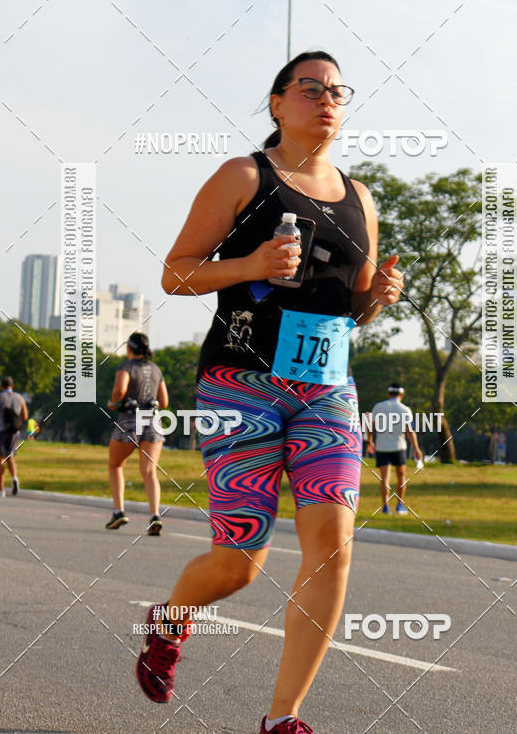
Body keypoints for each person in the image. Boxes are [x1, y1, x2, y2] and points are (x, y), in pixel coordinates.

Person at [135, 50, 404, 734]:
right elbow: (175, 274)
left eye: (338, 91)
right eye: (311, 89)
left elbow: (357, 309)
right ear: (278, 103)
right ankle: (170, 620)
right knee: (240, 562)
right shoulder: (242, 176)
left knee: (334, 542)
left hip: (326, 388)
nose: (327, 100)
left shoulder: (360, 197)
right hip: (241, 383)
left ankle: (283, 718)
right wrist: (252, 264)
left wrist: (380, 297)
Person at [105, 332, 169, 535]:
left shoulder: (126, 367)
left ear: (129, 349)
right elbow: (165, 401)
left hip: (130, 421)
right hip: (153, 422)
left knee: (115, 465)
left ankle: (119, 512)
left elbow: (119, 389)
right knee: (149, 471)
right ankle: (154, 515)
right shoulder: (156, 369)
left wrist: (113, 403)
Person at [367, 383, 422, 515]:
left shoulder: (378, 407)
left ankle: (385, 506)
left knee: (385, 478)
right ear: (401, 395)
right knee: (401, 476)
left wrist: (369, 442)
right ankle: (400, 505)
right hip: (399, 447)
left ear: (388, 394)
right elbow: (410, 431)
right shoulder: (405, 409)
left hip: (382, 447)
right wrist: (416, 448)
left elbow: (370, 426)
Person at [0, 376, 27, 496]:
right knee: (10, 457)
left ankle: (1, 489)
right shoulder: (19, 397)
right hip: (14, 432)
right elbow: (25, 416)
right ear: (12, 386)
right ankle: (15, 478)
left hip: (0, 431)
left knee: (0, 459)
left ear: (2, 386)